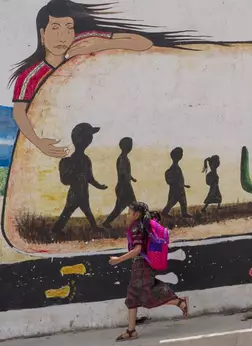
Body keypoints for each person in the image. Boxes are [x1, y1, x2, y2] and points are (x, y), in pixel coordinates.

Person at [9, 0, 224, 158]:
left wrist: (101, 44)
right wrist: (38, 143)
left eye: (69, 28)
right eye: (55, 29)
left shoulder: (82, 43)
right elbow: (19, 112)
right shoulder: (31, 75)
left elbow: (143, 42)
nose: (63, 36)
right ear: (42, 34)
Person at [109, 201, 188, 341]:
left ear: (136, 214)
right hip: (141, 265)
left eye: (129, 213)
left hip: (142, 266)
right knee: (133, 297)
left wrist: (118, 260)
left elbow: (137, 250)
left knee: (147, 295)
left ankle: (179, 302)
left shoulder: (136, 227)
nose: (126, 216)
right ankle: (131, 331)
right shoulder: (141, 226)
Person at [52, 123, 107, 234]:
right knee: (67, 212)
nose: (90, 140)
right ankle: (55, 230)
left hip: (83, 192)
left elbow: (90, 178)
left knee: (86, 211)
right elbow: (69, 179)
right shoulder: (74, 160)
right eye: (88, 137)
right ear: (80, 139)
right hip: (75, 193)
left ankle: (94, 228)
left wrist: (99, 186)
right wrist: (78, 176)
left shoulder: (86, 159)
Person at [103, 137, 137, 228]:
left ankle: (106, 223)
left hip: (124, 187)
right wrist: (128, 179)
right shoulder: (122, 159)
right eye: (130, 145)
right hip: (124, 187)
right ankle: (138, 225)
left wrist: (131, 178)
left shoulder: (124, 158)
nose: (131, 147)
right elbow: (123, 173)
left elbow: (125, 172)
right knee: (133, 207)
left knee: (120, 208)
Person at [162, 147, 192, 218]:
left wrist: (184, 185)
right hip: (176, 189)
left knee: (183, 201)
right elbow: (170, 175)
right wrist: (174, 183)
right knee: (172, 201)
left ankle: (184, 213)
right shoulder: (174, 167)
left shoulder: (176, 167)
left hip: (180, 188)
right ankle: (165, 212)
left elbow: (178, 179)